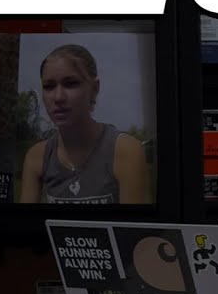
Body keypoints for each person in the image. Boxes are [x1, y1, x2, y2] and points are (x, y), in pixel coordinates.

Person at [19, 44, 150, 205]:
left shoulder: (125, 151)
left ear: (94, 89)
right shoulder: (37, 156)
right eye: (49, 86)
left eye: (71, 83)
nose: (58, 97)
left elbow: (138, 221)